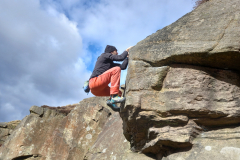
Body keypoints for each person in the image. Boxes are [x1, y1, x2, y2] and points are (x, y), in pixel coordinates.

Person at [89, 45, 132, 110]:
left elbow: (123, 67)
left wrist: (127, 58)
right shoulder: (104, 55)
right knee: (116, 69)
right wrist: (127, 50)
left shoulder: (109, 64)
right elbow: (120, 57)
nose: (117, 53)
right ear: (111, 52)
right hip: (95, 81)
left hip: (96, 91)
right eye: (116, 51)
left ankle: (111, 102)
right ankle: (114, 97)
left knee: (119, 93)